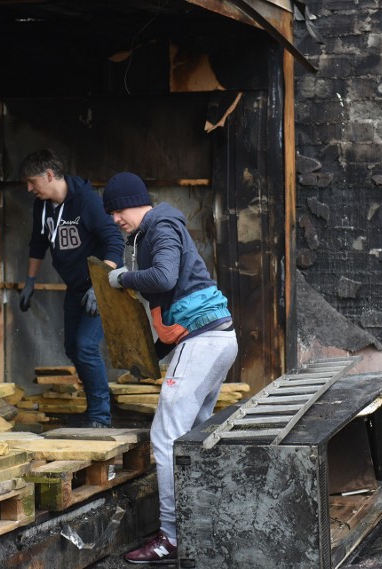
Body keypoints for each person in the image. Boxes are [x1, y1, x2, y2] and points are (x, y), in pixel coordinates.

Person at [101, 172, 238, 564]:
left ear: (134, 201)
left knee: (166, 436)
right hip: (213, 337)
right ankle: (202, 526)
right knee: (194, 438)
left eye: (117, 210)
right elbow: (176, 298)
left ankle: (171, 537)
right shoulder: (152, 231)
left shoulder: (160, 225)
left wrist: (121, 279)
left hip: (205, 342)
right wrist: (151, 355)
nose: (114, 219)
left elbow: (164, 276)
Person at [19, 149, 125, 428]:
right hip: (76, 287)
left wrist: (101, 284)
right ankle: (97, 407)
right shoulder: (41, 206)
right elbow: (38, 242)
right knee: (72, 347)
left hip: (102, 284)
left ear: (50, 175)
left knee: (86, 346)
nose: (29, 188)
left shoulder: (86, 200)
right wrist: (30, 281)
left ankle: (100, 418)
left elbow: (114, 240)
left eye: (32, 182)